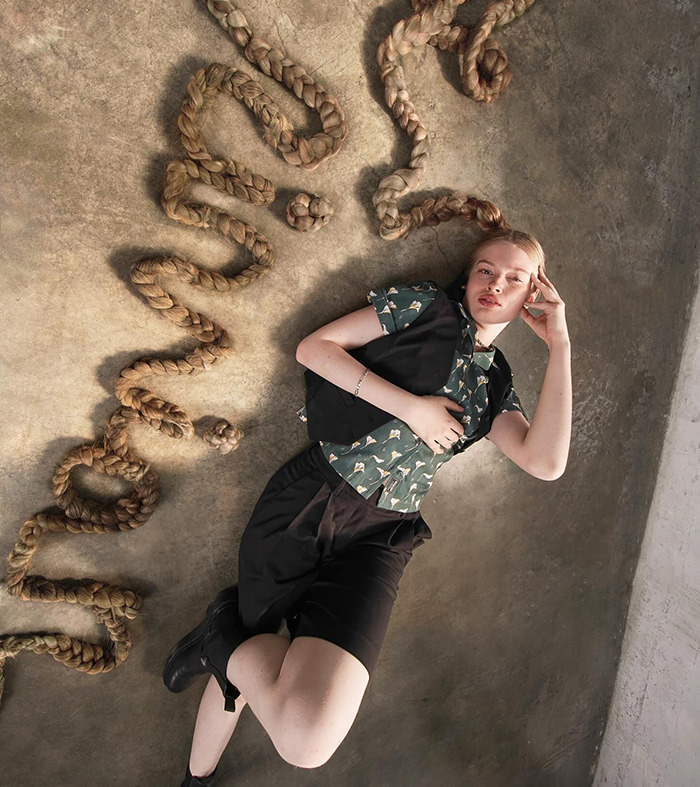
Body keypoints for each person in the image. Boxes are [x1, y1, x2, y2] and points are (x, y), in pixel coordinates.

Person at [162, 226, 572, 786]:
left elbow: (544, 461)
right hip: (310, 502)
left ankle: (217, 639)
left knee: (308, 741)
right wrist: (412, 409)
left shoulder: (496, 383)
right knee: (258, 651)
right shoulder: (423, 305)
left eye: (516, 279)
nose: (496, 285)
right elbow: (314, 349)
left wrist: (561, 345)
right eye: (485, 270)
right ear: (468, 275)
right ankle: (198, 777)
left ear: (534, 296)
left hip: (383, 535)